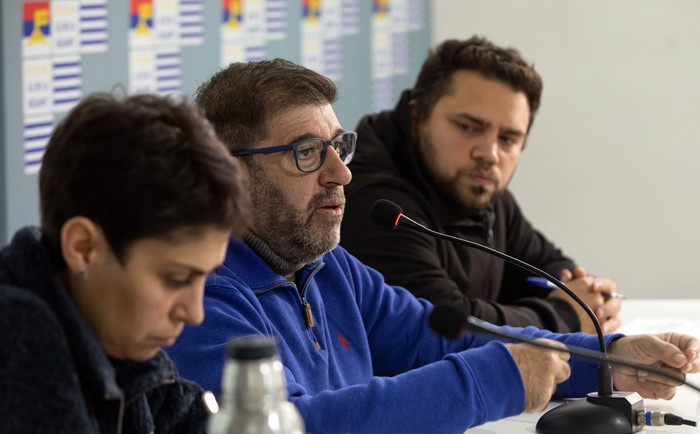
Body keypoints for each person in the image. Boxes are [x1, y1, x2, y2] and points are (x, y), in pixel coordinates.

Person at [167, 59, 699, 434]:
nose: (342, 173)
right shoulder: (196, 296)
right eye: (308, 152)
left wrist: (608, 358)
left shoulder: (326, 267)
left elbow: (439, 338)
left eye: (338, 146)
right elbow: (288, 427)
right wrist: (492, 379)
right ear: (232, 173)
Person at [0, 93, 250, 432]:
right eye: (176, 279)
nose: (194, 313)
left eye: (204, 277)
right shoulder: (17, 334)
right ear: (83, 248)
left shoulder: (119, 341)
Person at [341, 36, 620, 335]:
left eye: (508, 139)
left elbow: (543, 267)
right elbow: (446, 328)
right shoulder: (378, 207)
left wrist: (586, 294)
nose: (489, 154)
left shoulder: (480, 189)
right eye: (468, 127)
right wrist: (566, 314)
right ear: (417, 115)